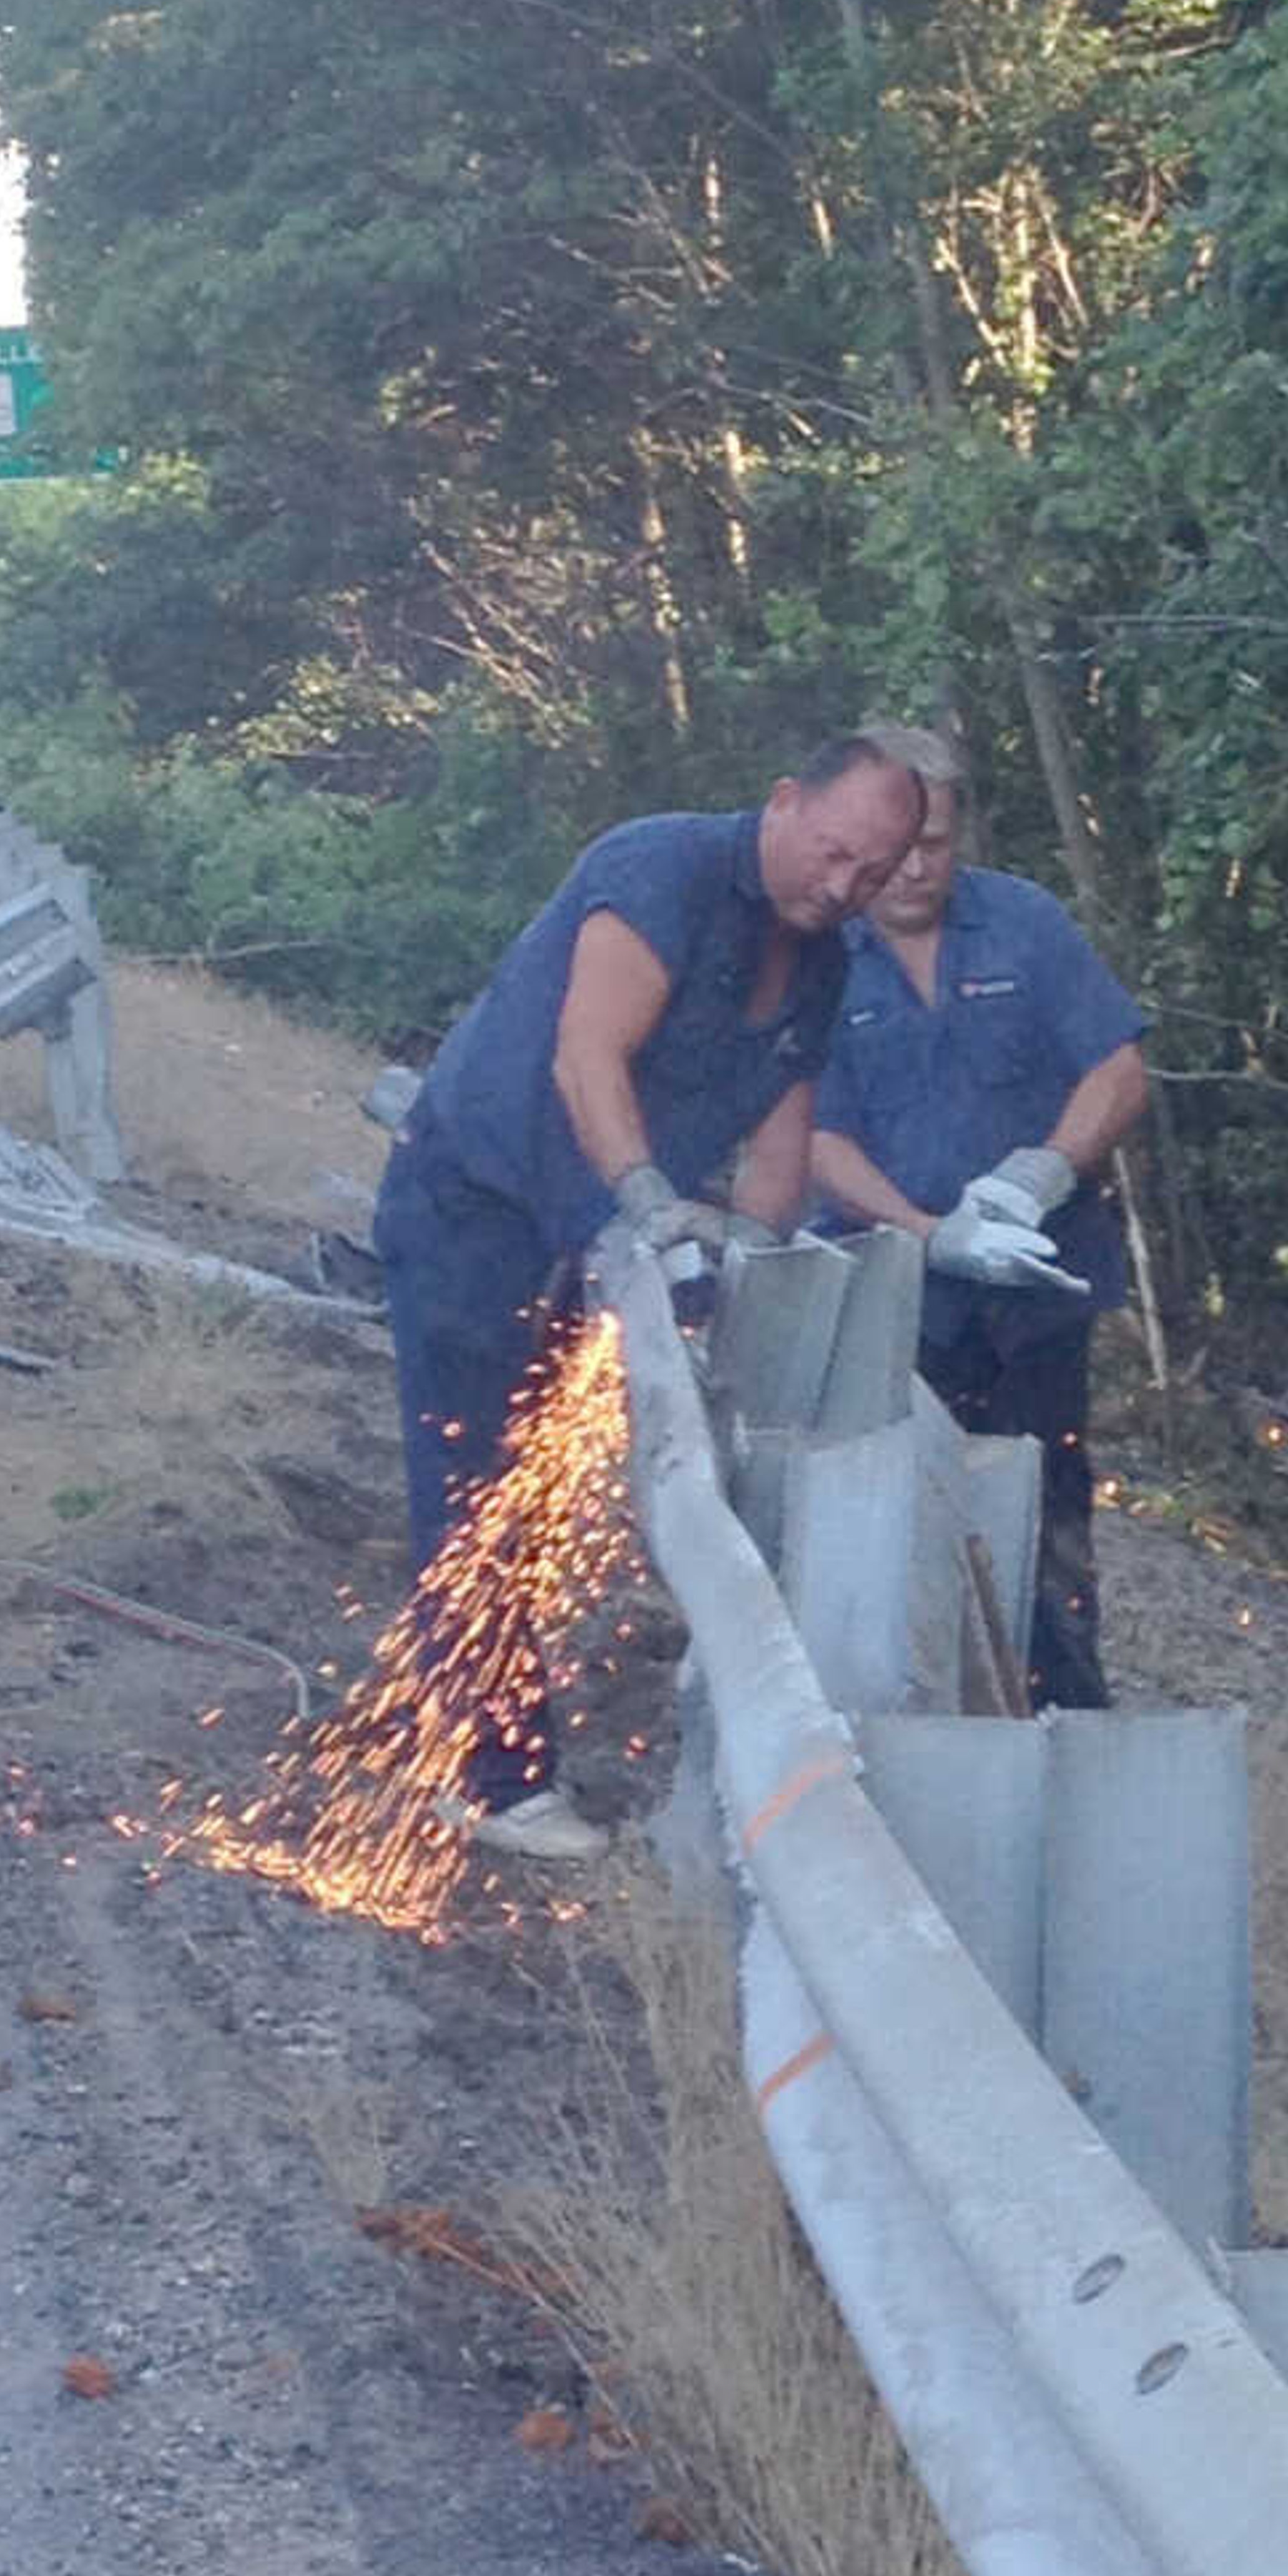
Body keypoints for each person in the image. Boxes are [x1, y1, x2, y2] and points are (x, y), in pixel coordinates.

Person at [374, 732, 925, 1861]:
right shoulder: (659, 872)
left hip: (588, 1245)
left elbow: (783, 1137)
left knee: (527, 1489)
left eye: (872, 874)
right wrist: (650, 1205)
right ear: (784, 799)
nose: (843, 888)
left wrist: (747, 1263)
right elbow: (589, 1060)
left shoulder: (819, 961)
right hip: (477, 1210)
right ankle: (493, 1782)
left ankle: (480, 1726)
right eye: (831, 855)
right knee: (475, 1482)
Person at [807, 723, 1149, 1711]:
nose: (916, 867)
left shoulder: (1025, 927)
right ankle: (920, 1736)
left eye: (937, 844)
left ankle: (1069, 1730)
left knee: (1048, 1537)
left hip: (1038, 1301)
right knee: (902, 1535)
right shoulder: (826, 958)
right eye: (898, 845)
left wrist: (1047, 1171)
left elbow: (1117, 1068)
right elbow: (819, 1141)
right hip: (898, 1308)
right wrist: (927, 1233)